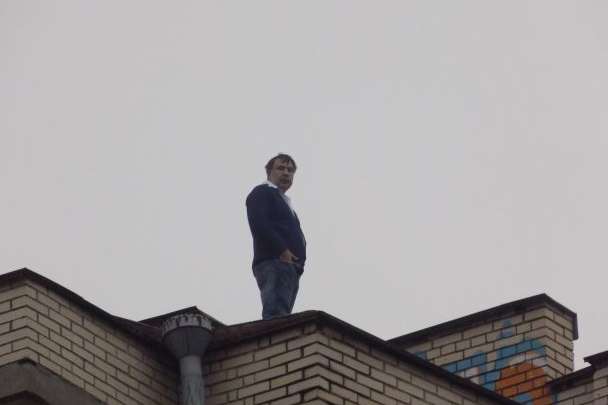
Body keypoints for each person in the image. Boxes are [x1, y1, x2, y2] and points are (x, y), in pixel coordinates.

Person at [246, 153, 306, 320]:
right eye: (281, 168)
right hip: (274, 261)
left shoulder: (285, 202)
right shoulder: (262, 192)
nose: (286, 173)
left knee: (283, 315)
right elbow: (259, 224)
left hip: (290, 266)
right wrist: (282, 251)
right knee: (276, 316)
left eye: (290, 170)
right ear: (269, 171)